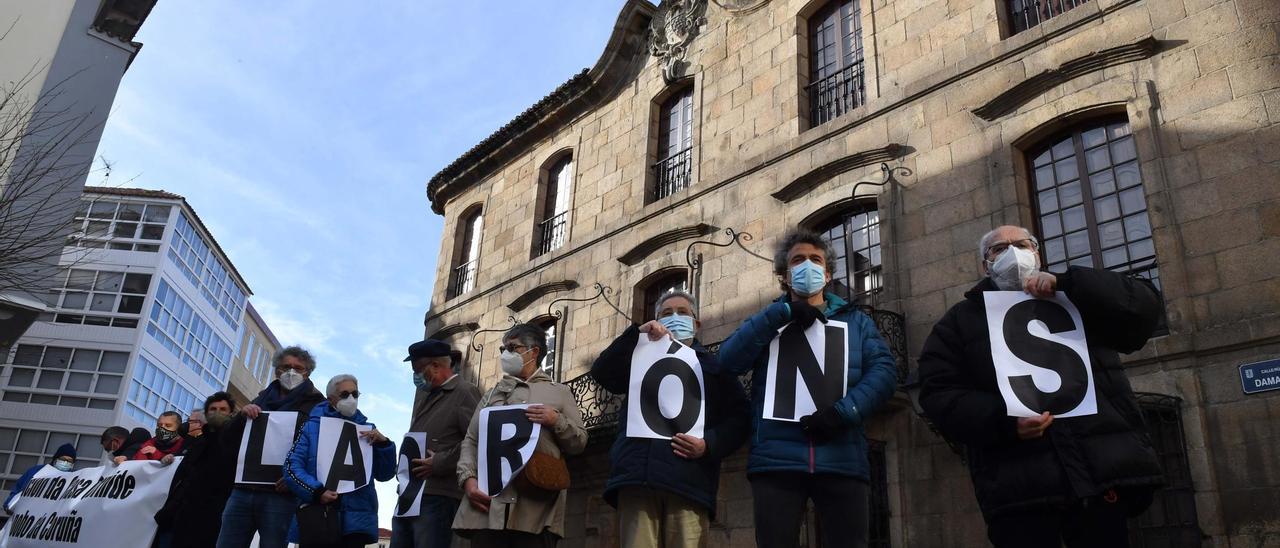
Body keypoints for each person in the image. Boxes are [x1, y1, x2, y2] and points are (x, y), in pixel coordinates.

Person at [917, 225, 1164, 548]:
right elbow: (937, 393)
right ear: (985, 265)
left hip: (1097, 481)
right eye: (999, 249)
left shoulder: (1077, 298)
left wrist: (1071, 283)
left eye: (1021, 244)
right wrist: (1005, 423)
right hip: (1019, 497)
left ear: (1037, 253)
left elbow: (1142, 308)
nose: (1013, 253)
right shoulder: (959, 322)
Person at [713, 229, 898, 548]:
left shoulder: (857, 322)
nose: (807, 265)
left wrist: (844, 413)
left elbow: (883, 372)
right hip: (777, 463)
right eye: (798, 260)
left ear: (827, 275)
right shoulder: (767, 320)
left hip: (842, 457)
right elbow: (727, 362)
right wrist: (779, 314)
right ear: (784, 276)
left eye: (816, 260)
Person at [590, 290, 750, 548]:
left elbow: (740, 417)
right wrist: (636, 334)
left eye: (682, 313)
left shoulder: (713, 367)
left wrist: (709, 444)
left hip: (689, 483)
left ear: (696, 324)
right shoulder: (638, 356)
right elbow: (602, 373)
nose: (674, 318)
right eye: (666, 314)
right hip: (637, 478)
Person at [453, 324, 588, 547]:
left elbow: (579, 442)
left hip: (536, 509)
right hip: (488, 509)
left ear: (533, 352)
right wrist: (467, 478)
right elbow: (471, 440)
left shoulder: (560, 393)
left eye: (512, 347)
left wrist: (557, 421)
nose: (505, 354)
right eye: (502, 349)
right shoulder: (491, 395)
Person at [216, 346, 326, 548]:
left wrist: (296, 478)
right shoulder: (260, 398)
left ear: (307, 372)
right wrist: (241, 417)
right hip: (243, 490)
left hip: (282, 494)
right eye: (286, 367)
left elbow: (321, 450)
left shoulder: (318, 406)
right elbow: (227, 441)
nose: (291, 372)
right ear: (277, 370)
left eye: (298, 368)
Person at [284, 374, 397, 548]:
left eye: (355, 394)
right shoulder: (311, 427)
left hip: (357, 521)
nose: (351, 399)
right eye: (345, 394)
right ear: (331, 399)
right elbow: (291, 467)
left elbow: (385, 475)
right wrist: (317, 492)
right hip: (319, 516)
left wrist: (385, 445)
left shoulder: (369, 431)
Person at [390, 339, 481, 548]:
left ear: (437, 366)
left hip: (438, 495)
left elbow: (476, 440)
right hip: (410, 494)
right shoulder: (428, 396)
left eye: (418, 370)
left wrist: (439, 462)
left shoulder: (464, 392)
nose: (416, 376)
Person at [155, 392, 238, 548]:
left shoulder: (237, 441)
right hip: (186, 512)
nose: (217, 413)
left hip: (217, 516)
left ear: (231, 413)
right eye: (213, 409)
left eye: (223, 409)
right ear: (206, 414)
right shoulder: (198, 443)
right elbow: (185, 476)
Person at [4, 443, 75, 512]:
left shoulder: (73, 477)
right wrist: (9, 504)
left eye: (69, 461)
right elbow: (18, 488)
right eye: (63, 459)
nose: (65, 462)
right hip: (25, 513)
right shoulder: (37, 471)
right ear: (55, 459)